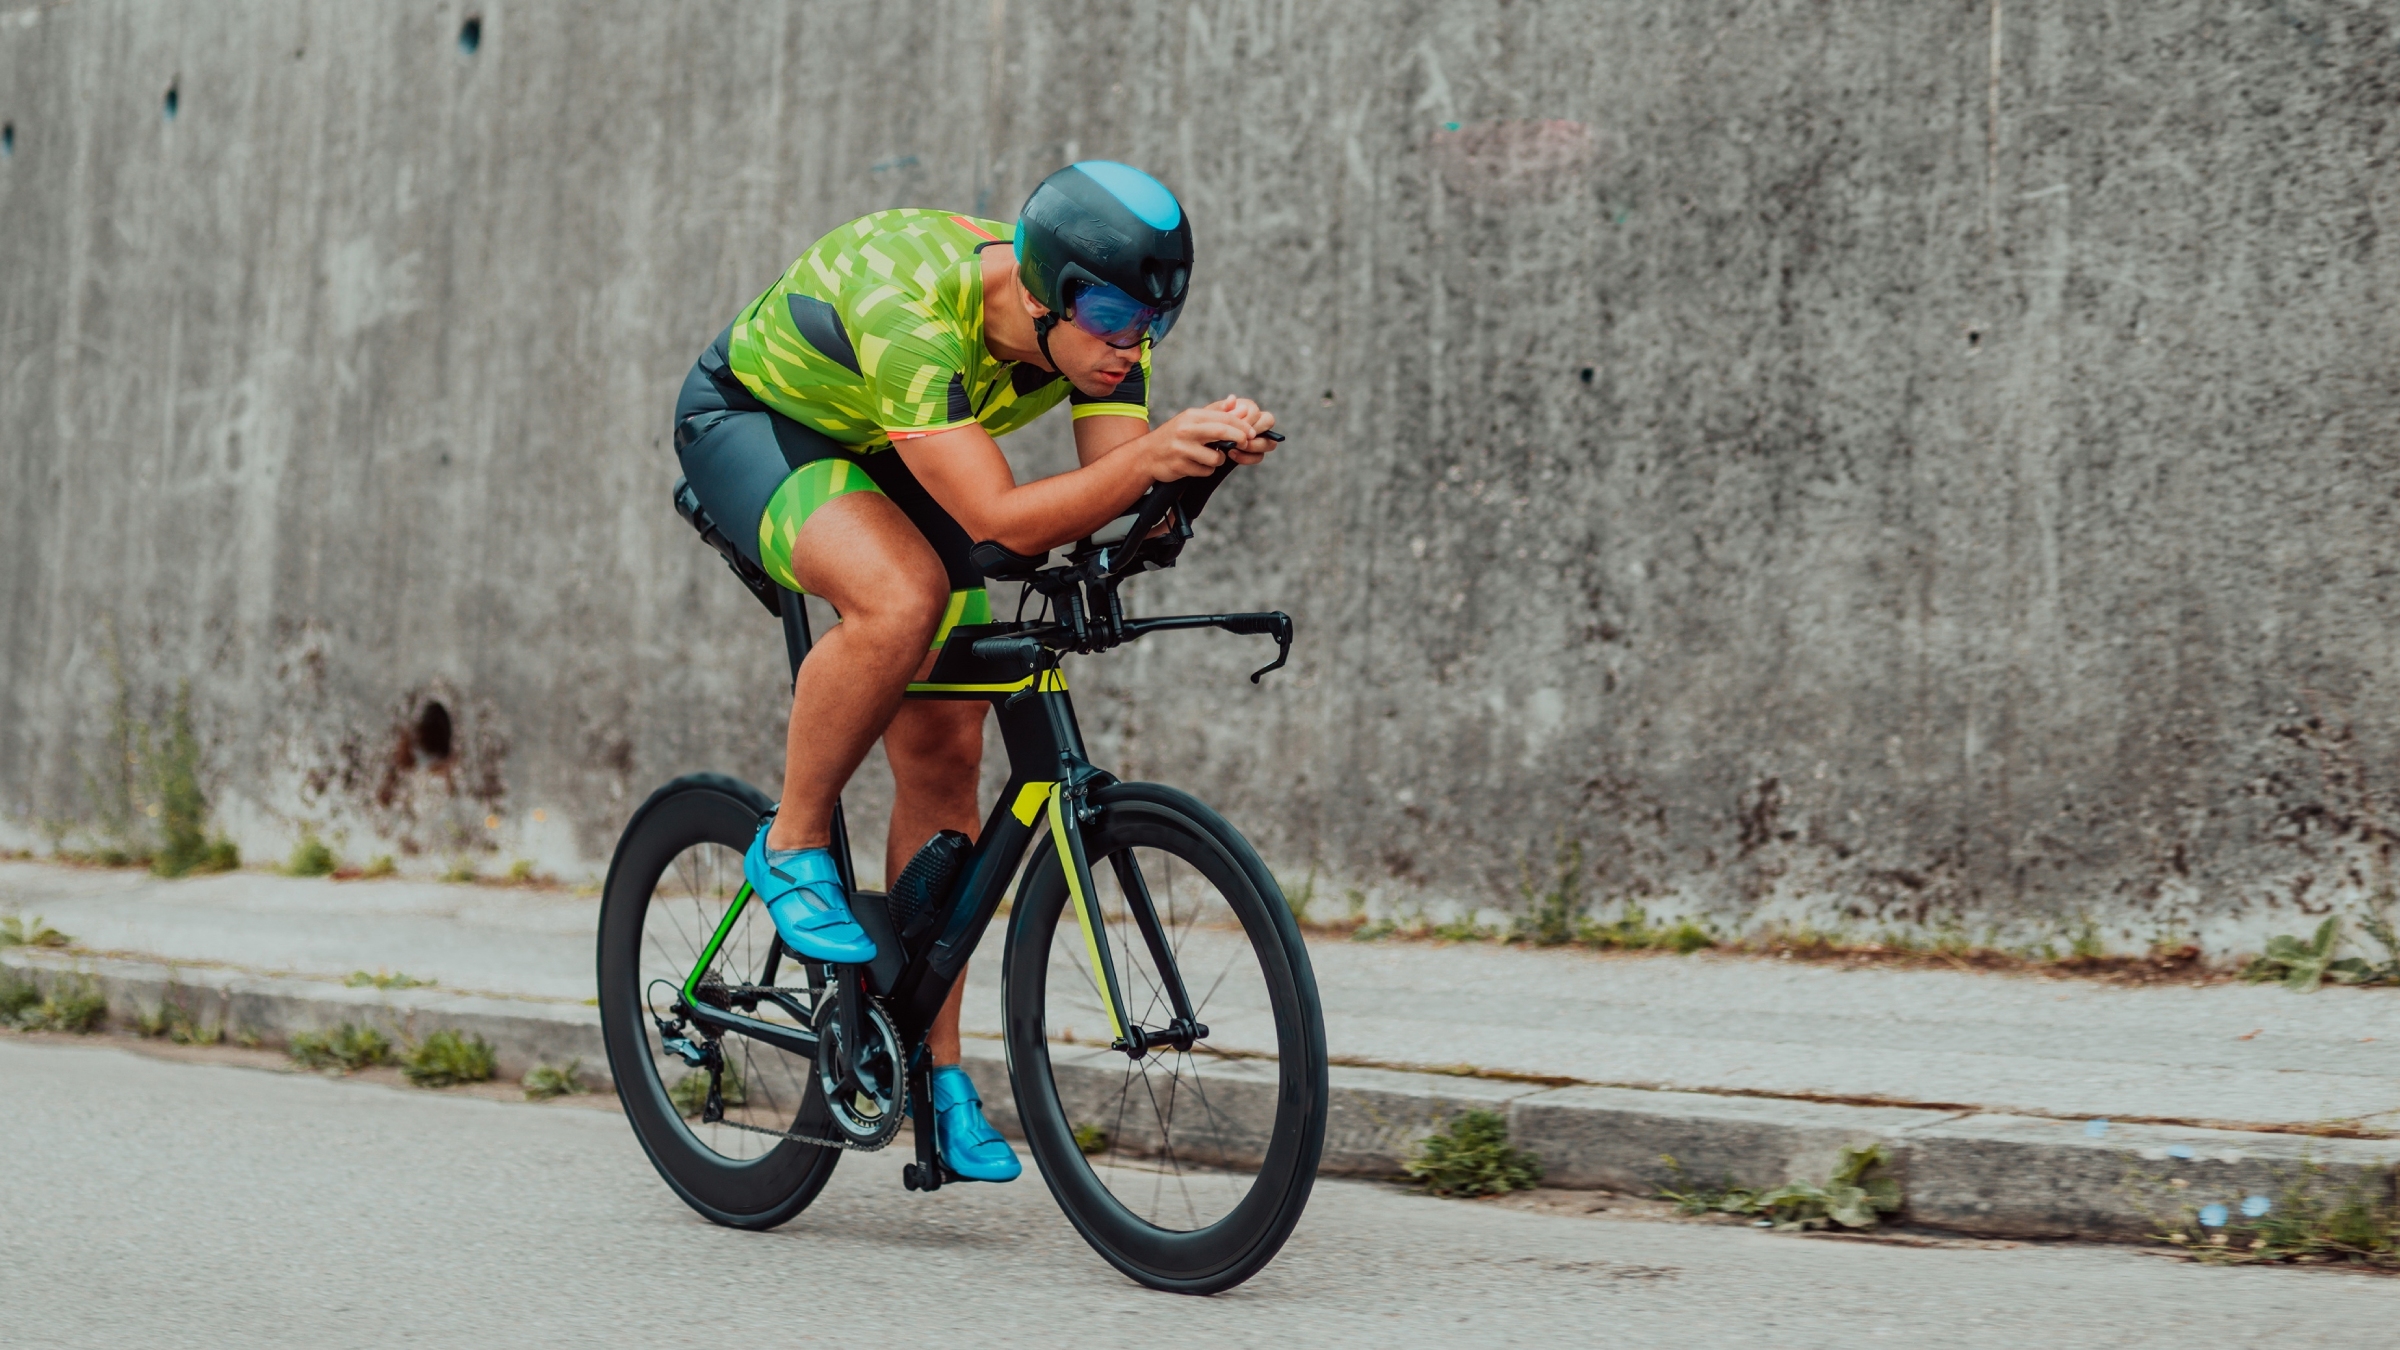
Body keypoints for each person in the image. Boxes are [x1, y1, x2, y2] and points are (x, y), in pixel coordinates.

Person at [669, 163, 1279, 1181]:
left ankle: (937, 1076)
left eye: (1155, 322)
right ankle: (792, 839)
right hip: (758, 425)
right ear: (1047, 294)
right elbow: (998, 518)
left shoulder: (1100, 322)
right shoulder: (919, 309)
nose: (1133, 343)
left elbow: (1104, 493)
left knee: (948, 756)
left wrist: (1194, 464)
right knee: (899, 598)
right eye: (1119, 317)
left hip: (902, 446)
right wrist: (1145, 461)